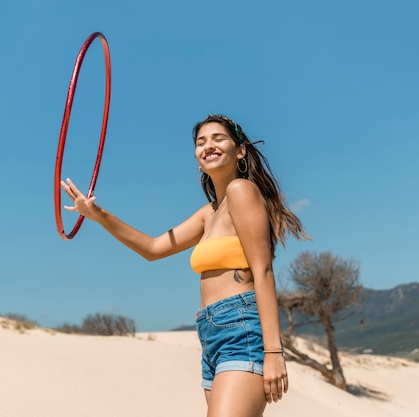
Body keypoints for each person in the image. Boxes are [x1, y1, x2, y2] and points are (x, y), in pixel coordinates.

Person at [61, 114, 309, 417]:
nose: (208, 146)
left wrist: (273, 352)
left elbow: (264, 271)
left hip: (241, 329)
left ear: (240, 150)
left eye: (219, 138)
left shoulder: (241, 191)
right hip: (210, 334)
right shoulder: (209, 214)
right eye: (201, 142)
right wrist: (98, 215)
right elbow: (153, 248)